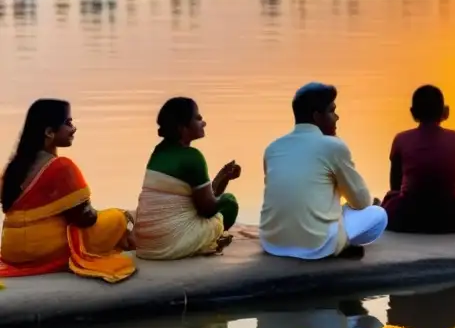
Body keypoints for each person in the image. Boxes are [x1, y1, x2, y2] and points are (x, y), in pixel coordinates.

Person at [0, 100, 135, 282]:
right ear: (49, 132)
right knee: (118, 218)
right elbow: (86, 218)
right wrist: (120, 219)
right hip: (43, 251)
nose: (74, 129)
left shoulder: (13, 168)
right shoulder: (61, 167)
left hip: (11, 251)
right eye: (68, 123)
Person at [260, 83, 387, 259]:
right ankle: (342, 244)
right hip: (317, 247)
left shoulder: (272, 148)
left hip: (272, 244)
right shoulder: (333, 146)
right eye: (332, 111)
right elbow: (362, 202)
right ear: (317, 117)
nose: (337, 117)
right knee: (377, 214)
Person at [133, 98, 241, 260]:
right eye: (197, 118)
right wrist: (222, 183)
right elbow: (207, 210)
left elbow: (197, 202)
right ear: (182, 128)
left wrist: (222, 178)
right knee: (229, 203)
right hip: (167, 246)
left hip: (146, 246)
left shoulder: (158, 151)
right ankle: (206, 243)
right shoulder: (193, 157)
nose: (203, 123)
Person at [382, 85, 455, 233]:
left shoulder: (401, 139)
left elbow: (395, 187)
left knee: (388, 200)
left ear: (413, 113)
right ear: (444, 111)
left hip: (408, 220)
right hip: (452, 220)